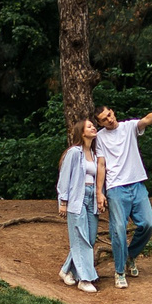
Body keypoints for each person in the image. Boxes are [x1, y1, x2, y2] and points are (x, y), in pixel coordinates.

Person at [92, 101, 152, 289]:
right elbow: (101, 165)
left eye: (109, 114)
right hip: (116, 188)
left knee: (149, 223)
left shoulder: (128, 127)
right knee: (118, 229)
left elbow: (147, 120)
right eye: (104, 119)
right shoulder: (99, 138)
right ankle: (119, 272)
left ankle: (130, 255)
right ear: (100, 124)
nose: (109, 119)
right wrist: (99, 193)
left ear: (113, 112)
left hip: (137, 184)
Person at [55, 120, 105, 293]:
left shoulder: (94, 152)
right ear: (82, 133)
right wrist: (63, 201)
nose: (93, 128)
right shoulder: (74, 152)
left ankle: (66, 269)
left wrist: (100, 196)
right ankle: (84, 279)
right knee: (81, 237)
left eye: (93, 126)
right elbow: (64, 177)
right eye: (89, 126)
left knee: (89, 239)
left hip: (91, 198)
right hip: (77, 198)